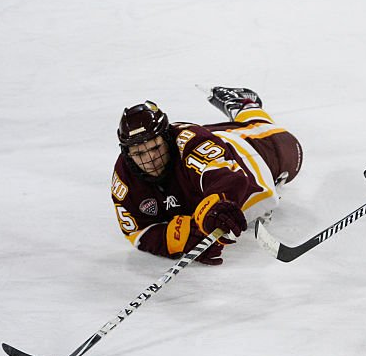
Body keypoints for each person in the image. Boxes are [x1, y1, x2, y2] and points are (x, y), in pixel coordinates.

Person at [111, 87, 303, 265]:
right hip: (210, 138)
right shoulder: (124, 180)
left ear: (167, 137)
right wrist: (183, 238)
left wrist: (215, 209)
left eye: (155, 148)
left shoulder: (190, 144)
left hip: (251, 150)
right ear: (127, 153)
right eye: (139, 154)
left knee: (289, 148)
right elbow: (137, 231)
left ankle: (244, 105)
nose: (150, 159)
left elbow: (228, 179)